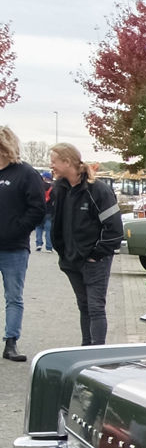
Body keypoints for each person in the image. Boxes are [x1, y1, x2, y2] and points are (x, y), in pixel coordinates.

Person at [50, 142, 124, 346]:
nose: (51, 166)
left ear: (67, 162)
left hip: (94, 261)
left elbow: (114, 228)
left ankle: (97, 353)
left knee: (95, 307)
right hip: (71, 260)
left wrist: (96, 254)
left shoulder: (98, 190)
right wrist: (62, 252)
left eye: (54, 161)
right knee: (83, 306)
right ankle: (86, 348)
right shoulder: (60, 189)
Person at [0, 127, 48, 362]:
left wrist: (17, 230)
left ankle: (11, 343)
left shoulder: (25, 173)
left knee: (14, 297)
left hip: (14, 248)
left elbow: (38, 208)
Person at [34, 173, 53, 251]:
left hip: (39, 210)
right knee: (48, 230)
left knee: (39, 228)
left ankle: (39, 244)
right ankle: (49, 247)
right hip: (49, 211)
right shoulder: (53, 188)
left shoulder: (38, 186)